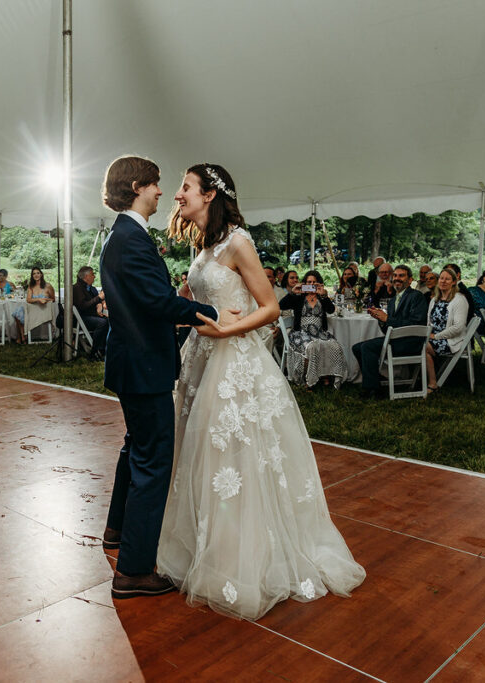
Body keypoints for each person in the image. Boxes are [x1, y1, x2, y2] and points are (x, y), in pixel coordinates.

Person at [155, 162, 363, 620]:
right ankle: (201, 546)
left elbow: (269, 309)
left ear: (210, 194)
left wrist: (226, 334)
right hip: (202, 357)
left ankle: (240, 559)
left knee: (232, 453)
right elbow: (201, 301)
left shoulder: (238, 242)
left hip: (233, 362)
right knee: (199, 450)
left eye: (184, 187)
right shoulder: (205, 246)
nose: (176, 195)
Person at [97, 156, 223, 601]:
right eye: (156, 185)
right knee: (153, 463)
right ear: (137, 186)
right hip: (144, 364)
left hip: (131, 361)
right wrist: (210, 313)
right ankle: (132, 570)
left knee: (136, 448)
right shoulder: (131, 238)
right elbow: (154, 301)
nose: (161, 193)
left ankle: (115, 529)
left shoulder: (122, 236)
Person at [351, 265, 429, 399]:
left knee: (367, 347)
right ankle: (376, 380)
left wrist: (387, 318)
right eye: (396, 276)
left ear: (410, 280)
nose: (397, 278)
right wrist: (381, 319)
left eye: (401, 276)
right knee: (357, 347)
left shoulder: (416, 296)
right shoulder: (393, 300)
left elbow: (416, 324)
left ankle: (372, 389)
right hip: (396, 339)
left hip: (411, 342)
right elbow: (388, 329)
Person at [279, 270, 348, 388]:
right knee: (312, 347)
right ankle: (308, 379)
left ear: (319, 284)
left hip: (319, 332)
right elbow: (281, 305)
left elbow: (331, 310)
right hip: (300, 332)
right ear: (304, 283)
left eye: (314, 282)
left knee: (335, 346)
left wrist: (324, 295)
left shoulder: (321, 297)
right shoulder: (299, 297)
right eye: (308, 282)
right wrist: (292, 293)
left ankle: (325, 375)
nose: (311, 284)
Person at [424, 268, 470, 393]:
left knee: (422, 346)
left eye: (447, 279)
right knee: (416, 342)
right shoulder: (434, 299)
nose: (443, 281)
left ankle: (431, 383)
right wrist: (428, 335)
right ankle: (426, 380)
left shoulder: (459, 300)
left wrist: (436, 336)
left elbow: (458, 328)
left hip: (451, 340)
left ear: (454, 282)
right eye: (441, 278)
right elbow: (429, 322)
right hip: (432, 337)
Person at [72, 266, 108, 356]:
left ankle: (106, 347)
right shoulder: (77, 288)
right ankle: (96, 351)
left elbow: (94, 301)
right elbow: (83, 306)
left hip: (90, 315)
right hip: (81, 318)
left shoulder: (90, 288)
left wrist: (99, 304)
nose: (94, 276)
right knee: (102, 323)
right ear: (86, 276)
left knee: (110, 320)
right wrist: (99, 298)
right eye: (92, 274)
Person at [14, 267, 56, 342]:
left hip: (43, 311)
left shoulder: (48, 286)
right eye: (34, 273)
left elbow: (53, 299)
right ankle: (23, 336)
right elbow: (28, 299)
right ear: (32, 276)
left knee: (20, 313)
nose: (36, 275)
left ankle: (21, 337)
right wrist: (38, 299)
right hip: (33, 310)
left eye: (38, 273)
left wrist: (45, 300)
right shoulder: (31, 286)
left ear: (41, 274)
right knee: (17, 313)